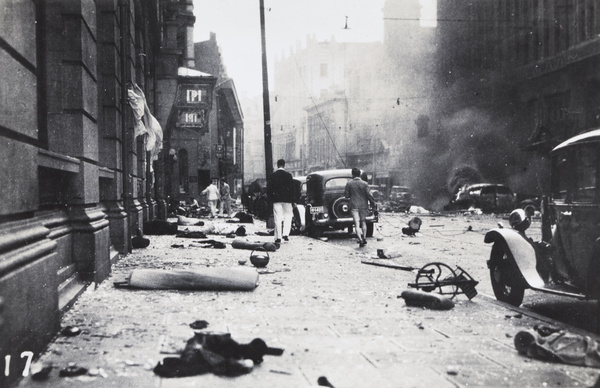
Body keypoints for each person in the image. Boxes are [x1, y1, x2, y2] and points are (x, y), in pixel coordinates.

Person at [344, 167, 377, 247]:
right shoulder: (365, 184)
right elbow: (369, 195)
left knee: (357, 224)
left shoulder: (349, 183)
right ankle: (364, 238)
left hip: (354, 206)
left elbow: (346, 195)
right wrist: (373, 205)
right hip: (363, 206)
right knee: (363, 222)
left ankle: (360, 239)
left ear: (352, 174)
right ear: (359, 174)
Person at [267, 159, 295, 244]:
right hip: (287, 200)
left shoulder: (272, 176)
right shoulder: (289, 175)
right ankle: (286, 234)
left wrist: (271, 199)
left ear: (277, 165)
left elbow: (269, 189)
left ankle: (278, 237)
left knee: (277, 218)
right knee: (288, 217)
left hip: (276, 200)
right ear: (284, 165)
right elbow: (292, 189)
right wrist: (293, 200)